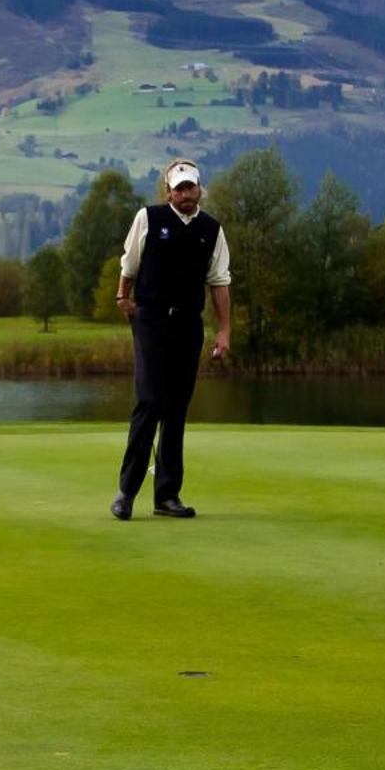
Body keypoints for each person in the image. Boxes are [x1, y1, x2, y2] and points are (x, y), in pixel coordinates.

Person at [110, 158, 233, 520]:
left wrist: (224, 330)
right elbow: (129, 263)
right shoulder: (148, 218)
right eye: (179, 188)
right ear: (168, 191)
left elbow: (220, 282)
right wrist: (122, 298)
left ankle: (167, 495)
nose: (185, 194)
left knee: (176, 409)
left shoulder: (211, 229)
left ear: (199, 189)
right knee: (149, 401)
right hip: (150, 319)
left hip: (187, 325)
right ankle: (126, 492)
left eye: (190, 187)